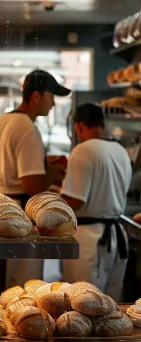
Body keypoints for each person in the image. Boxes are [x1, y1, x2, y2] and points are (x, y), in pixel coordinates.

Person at [0, 69, 71, 288]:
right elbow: (32, 185)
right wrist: (52, 174)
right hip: (20, 215)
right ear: (36, 96)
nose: (53, 103)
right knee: (22, 288)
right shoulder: (28, 129)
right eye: (51, 96)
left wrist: (3, 189)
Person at [61, 103, 132, 301]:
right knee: (111, 303)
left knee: (83, 302)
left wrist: (52, 202)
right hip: (116, 237)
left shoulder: (83, 150)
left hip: (90, 239)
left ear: (80, 126)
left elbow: (75, 200)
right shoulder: (121, 151)